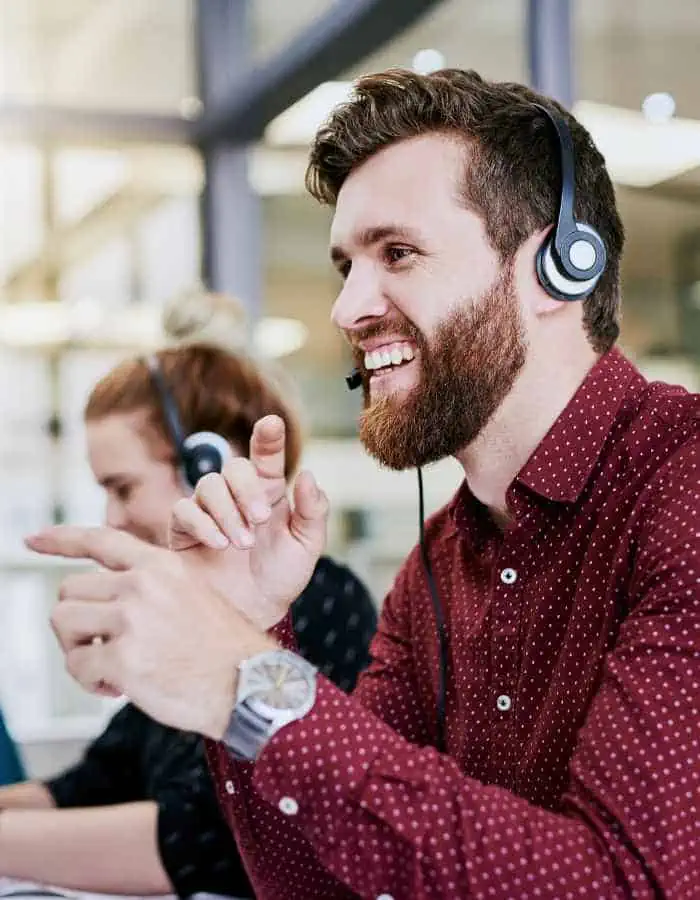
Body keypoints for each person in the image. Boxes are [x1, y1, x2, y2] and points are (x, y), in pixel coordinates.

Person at [28, 68, 699, 900]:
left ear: (556, 267)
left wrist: (247, 683)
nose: (347, 308)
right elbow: (317, 884)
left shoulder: (684, 485)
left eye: (399, 253)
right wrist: (257, 632)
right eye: (348, 264)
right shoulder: (438, 567)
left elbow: (622, 884)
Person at [1, 292, 377, 898]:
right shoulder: (179, 613)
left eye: (123, 488)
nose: (112, 518)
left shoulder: (318, 600)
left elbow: (208, 841)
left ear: (207, 467)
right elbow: (92, 783)